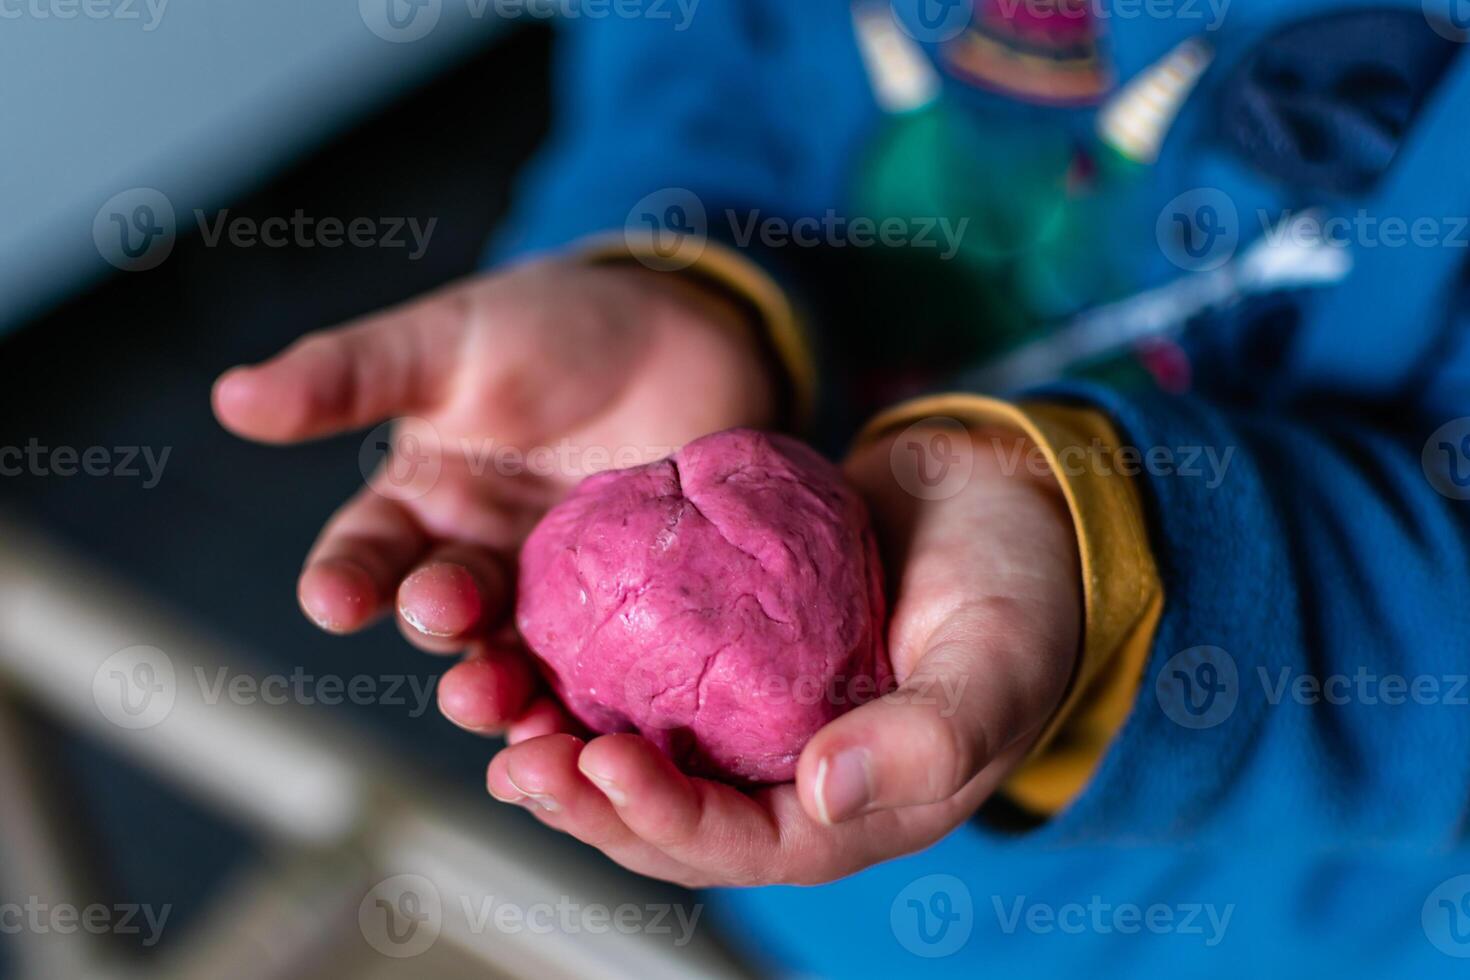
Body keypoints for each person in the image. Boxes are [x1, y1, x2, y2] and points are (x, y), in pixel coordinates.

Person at [213, 1, 1470, 974]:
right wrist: (675, 277)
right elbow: (698, 66)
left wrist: (1116, 553)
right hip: (857, 893)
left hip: (1334, 905)